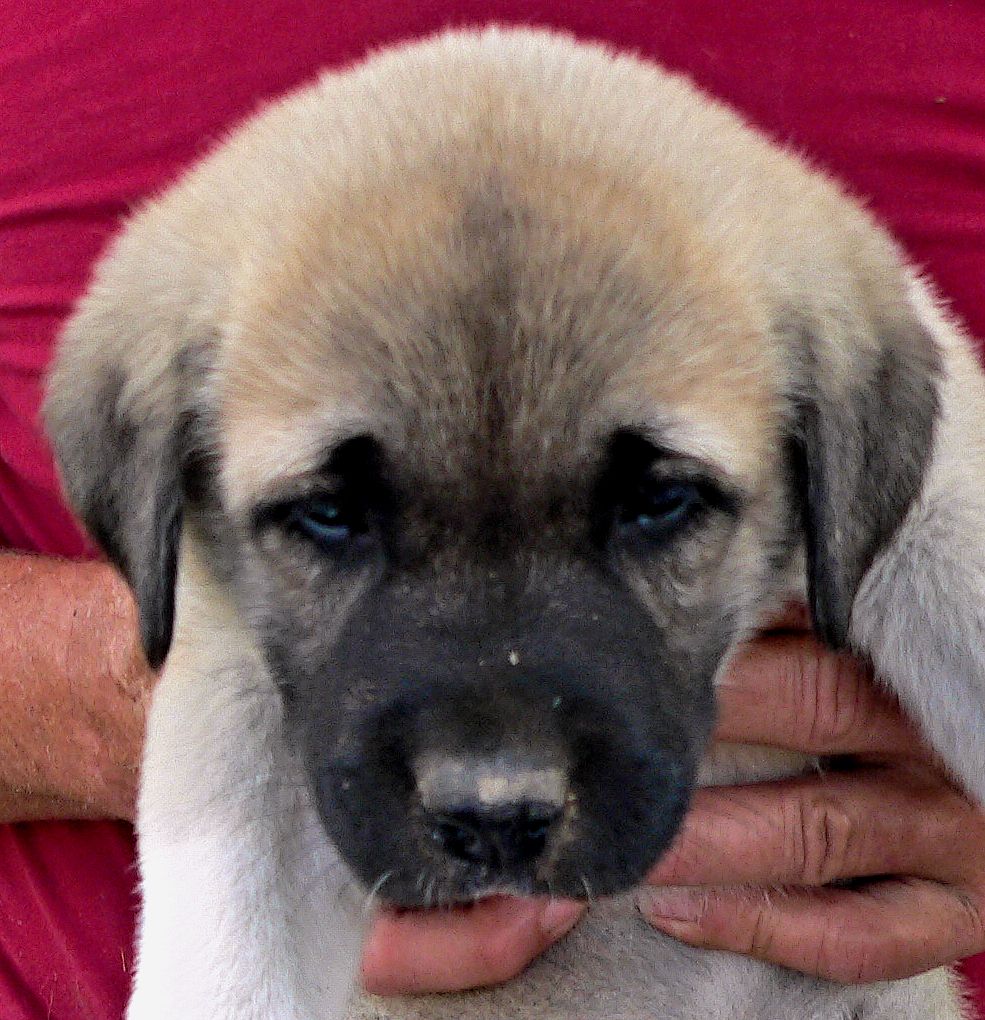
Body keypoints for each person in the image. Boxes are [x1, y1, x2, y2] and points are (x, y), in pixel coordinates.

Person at [2, 2, 984, 1017]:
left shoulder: (809, 318)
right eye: (332, 520)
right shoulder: (193, 323)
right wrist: (158, 682)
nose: (497, 778)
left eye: (658, 507)